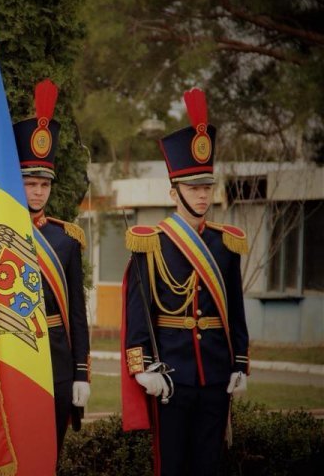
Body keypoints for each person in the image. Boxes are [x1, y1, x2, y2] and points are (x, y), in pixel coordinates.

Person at [0, 79, 91, 456]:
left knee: (50, 454)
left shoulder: (67, 239)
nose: (37, 192)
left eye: (43, 184)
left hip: (58, 362)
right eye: (30, 183)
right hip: (12, 357)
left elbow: (76, 315)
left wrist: (82, 372)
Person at [121, 88, 250, 476]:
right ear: (173, 191)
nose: (202, 194)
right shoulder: (151, 243)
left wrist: (240, 363)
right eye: (193, 187)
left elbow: (235, 310)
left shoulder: (225, 243)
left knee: (209, 464)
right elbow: (138, 312)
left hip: (214, 374)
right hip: (171, 375)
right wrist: (142, 368)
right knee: (172, 464)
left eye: (206, 186)